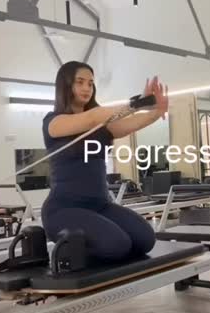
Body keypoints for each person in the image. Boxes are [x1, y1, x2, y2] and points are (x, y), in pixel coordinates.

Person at [41, 62, 168, 264]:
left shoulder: (100, 125)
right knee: (117, 245)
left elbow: (127, 126)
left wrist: (156, 111)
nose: (86, 88)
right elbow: (93, 117)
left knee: (145, 239)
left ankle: (94, 242)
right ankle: (69, 252)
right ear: (65, 85)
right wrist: (137, 104)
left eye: (90, 84)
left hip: (100, 205)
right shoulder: (54, 122)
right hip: (63, 210)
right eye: (80, 82)